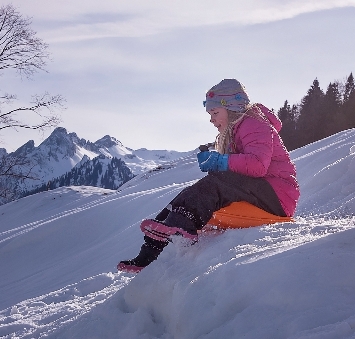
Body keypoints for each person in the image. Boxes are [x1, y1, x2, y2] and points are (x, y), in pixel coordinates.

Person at [117, 79, 300, 273]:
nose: (211, 119)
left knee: (213, 185)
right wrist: (220, 163)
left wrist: (222, 162)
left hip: (277, 195)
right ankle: (149, 254)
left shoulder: (254, 123)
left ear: (231, 109)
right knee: (188, 195)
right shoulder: (235, 130)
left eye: (215, 113)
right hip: (260, 192)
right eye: (210, 114)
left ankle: (182, 227)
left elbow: (257, 166)